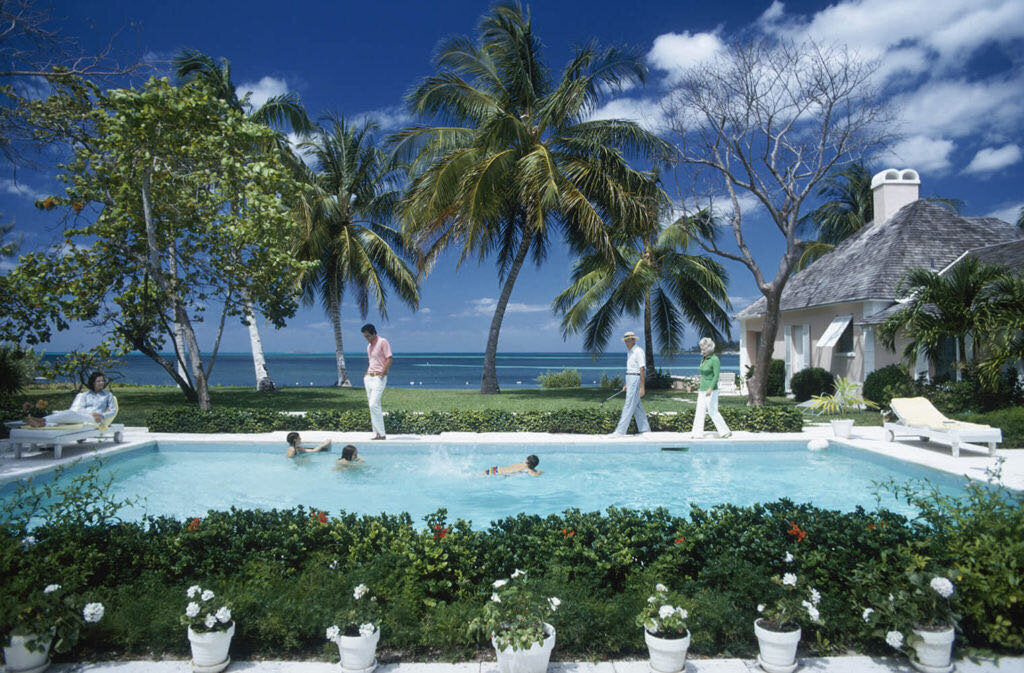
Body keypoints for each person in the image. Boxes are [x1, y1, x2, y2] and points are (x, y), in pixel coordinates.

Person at [25, 371, 117, 428]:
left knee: (68, 413)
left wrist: (102, 415)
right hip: (83, 415)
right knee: (68, 415)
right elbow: (80, 409)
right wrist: (88, 413)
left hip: (95, 419)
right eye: (98, 381)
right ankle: (42, 424)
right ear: (93, 382)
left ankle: (41, 420)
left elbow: (113, 411)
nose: (101, 383)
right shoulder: (85, 395)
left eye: (102, 380)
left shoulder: (108, 395)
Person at [610, 331, 650, 436]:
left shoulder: (638, 351)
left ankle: (620, 431)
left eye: (629, 340)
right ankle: (645, 429)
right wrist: (627, 384)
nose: (627, 342)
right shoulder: (630, 351)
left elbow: (642, 369)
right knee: (636, 405)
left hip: (635, 378)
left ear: (633, 340)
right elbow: (631, 369)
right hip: (630, 378)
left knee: (629, 404)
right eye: (626, 340)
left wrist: (642, 387)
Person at [692, 337, 732, 439]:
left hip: (711, 389)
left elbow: (716, 376)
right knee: (699, 410)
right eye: (701, 349)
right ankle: (697, 434)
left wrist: (710, 388)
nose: (702, 351)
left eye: (704, 349)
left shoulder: (715, 359)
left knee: (712, 411)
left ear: (709, 349)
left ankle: (725, 431)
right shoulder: (704, 359)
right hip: (702, 388)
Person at [362, 323, 392, 440]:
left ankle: (382, 434)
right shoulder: (369, 347)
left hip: (379, 378)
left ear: (374, 333)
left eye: (368, 336)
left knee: (373, 404)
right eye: (365, 337)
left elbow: (389, 358)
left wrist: (383, 372)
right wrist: (366, 374)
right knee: (374, 406)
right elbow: (372, 362)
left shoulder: (383, 342)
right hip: (369, 377)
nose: (367, 339)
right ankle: (377, 434)